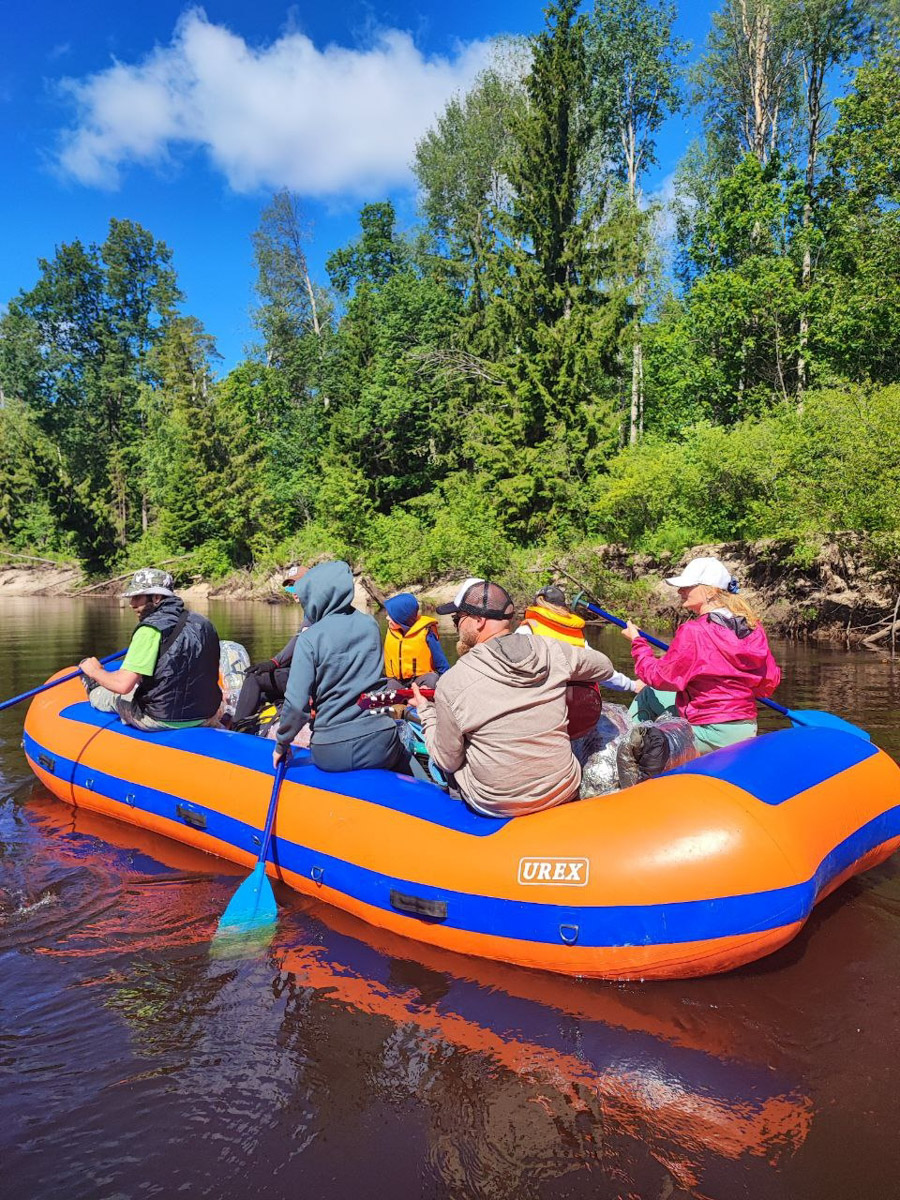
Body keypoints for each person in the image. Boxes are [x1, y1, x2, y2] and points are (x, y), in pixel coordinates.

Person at [410, 579, 635, 818]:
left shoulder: (452, 682)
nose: (455, 625)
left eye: (458, 619)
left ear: (478, 621)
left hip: (496, 804)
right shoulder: (550, 650)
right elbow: (604, 666)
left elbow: (448, 761)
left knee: (445, 759)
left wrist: (427, 712)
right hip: (562, 789)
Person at [621, 556, 781, 754]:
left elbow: (659, 677)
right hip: (746, 727)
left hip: (708, 732)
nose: (680, 591)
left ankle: (625, 755)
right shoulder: (753, 627)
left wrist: (638, 643)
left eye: (688, 586)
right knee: (654, 692)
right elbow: (769, 683)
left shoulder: (694, 631)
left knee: (647, 692)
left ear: (711, 591)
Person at [273, 560, 409, 773]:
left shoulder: (310, 638)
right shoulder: (370, 625)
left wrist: (282, 744)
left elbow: (296, 705)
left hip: (332, 749)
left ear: (316, 596)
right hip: (380, 743)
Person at [79, 568, 221, 732]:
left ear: (156, 597)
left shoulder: (149, 630)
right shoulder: (204, 622)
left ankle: (93, 689)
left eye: (137, 597)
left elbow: (122, 685)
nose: (132, 604)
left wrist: (94, 672)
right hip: (205, 715)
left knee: (107, 696)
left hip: (160, 718)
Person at [231, 565, 310, 729]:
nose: (293, 590)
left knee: (254, 678)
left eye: (297, 585)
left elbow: (296, 645)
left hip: (311, 680)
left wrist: (273, 663)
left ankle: (237, 730)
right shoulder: (314, 608)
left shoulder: (315, 611)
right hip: (309, 675)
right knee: (263, 692)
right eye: (290, 586)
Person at [383, 592, 450, 690]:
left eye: (391, 615)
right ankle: (395, 702)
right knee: (386, 684)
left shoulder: (427, 632)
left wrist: (448, 682)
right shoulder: (391, 631)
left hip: (420, 679)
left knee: (432, 678)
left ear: (402, 618)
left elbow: (441, 662)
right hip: (396, 681)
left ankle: (424, 697)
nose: (387, 618)